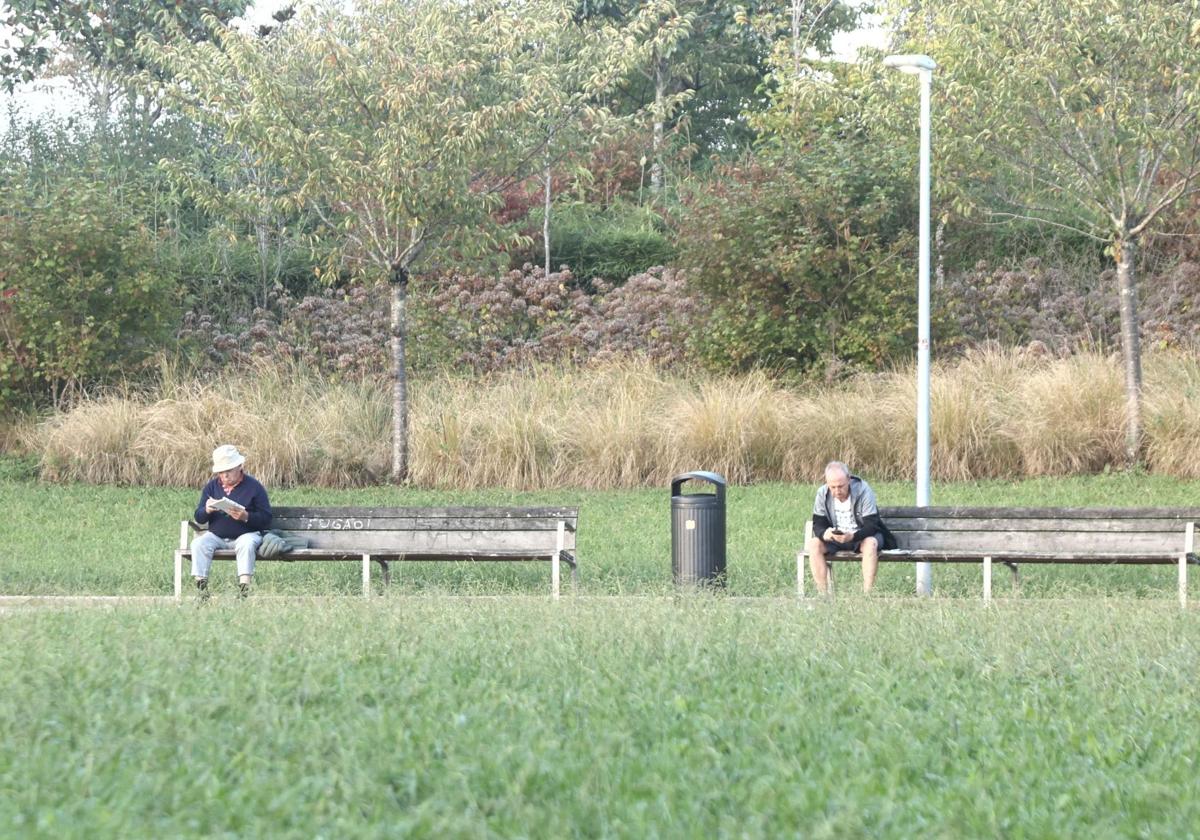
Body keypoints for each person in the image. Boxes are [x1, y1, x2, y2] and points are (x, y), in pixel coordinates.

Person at [190, 444, 272, 599]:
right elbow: (199, 517)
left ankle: (243, 590)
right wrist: (207, 510)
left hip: (246, 534)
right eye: (221, 472)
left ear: (239, 467)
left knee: (246, 544)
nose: (224, 475)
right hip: (217, 536)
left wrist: (246, 516)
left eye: (228, 471)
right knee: (198, 544)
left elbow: (266, 519)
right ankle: (201, 591)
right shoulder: (211, 487)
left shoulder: (254, 487)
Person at [807, 461, 889, 595]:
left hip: (861, 536)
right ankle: (823, 595)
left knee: (870, 543)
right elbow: (818, 523)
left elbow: (871, 525)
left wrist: (853, 536)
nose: (837, 491)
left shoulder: (863, 490)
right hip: (836, 538)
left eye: (841, 486)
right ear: (827, 483)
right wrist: (824, 534)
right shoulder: (822, 493)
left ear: (849, 479)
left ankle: (867, 594)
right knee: (814, 544)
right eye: (832, 487)